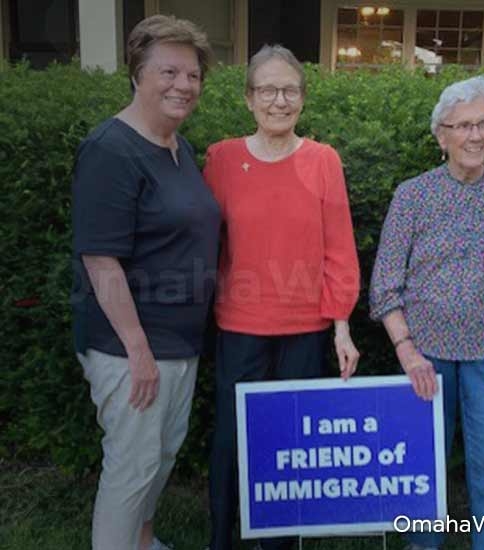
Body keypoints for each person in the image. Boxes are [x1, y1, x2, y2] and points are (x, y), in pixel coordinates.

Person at [369, 75, 484, 550]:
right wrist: (406, 351)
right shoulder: (413, 195)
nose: (475, 135)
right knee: (422, 470)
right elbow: (385, 285)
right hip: (425, 358)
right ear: (441, 135)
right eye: (462, 125)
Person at [202, 44, 361, 550]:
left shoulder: (323, 161)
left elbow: (339, 249)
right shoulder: (222, 159)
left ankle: (280, 542)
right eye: (267, 89)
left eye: (289, 90)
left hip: (305, 329)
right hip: (240, 326)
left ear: (303, 98)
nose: (279, 100)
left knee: (292, 447)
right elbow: (203, 243)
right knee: (231, 441)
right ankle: (221, 539)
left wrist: (341, 325)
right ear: (249, 98)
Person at [71, 14, 219, 550]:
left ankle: (144, 541)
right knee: (131, 470)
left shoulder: (177, 148)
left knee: (160, 458)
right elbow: (101, 260)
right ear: (138, 72)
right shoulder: (111, 149)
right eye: (169, 71)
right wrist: (138, 351)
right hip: (130, 345)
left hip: (178, 342)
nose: (183, 85)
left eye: (193, 75)